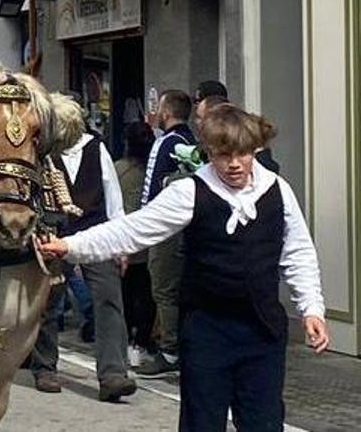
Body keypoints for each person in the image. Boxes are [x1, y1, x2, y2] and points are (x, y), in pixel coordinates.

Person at [39, 105, 329, 431]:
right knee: (201, 424)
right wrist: (71, 245)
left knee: (264, 423)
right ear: (208, 152)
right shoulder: (189, 191)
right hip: (207, 330)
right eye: (223, 155)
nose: (234, 164)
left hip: (262, 330)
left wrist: (311, 309)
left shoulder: (278, 190)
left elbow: (298, 252)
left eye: (242, 154)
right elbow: (132, 231)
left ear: (254, 150)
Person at [31, 97, 136, 402]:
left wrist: (121, 243)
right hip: (53, 234)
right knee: (48, 303)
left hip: (98, 234)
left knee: (109, 300)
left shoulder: (96, 148)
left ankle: (113, 373)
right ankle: (44, 366)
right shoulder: (42, 152)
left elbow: (112, 195)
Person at [139, 89, 197, 378]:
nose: (155, 113)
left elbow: (152, 191)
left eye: (158, 107)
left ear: (167, 112)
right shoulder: (188, 141)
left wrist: (145, 223)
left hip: (165, 228)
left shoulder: (168, 144)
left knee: (163, 288)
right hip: (180, 227)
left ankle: (169, 350)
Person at [115, 121, 158, 364]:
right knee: (147, 294)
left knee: (126, 294)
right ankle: (143, 339)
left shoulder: (118, 169)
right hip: (150, 242)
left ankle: (129, 341)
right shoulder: (151, 171)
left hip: (125, 241)